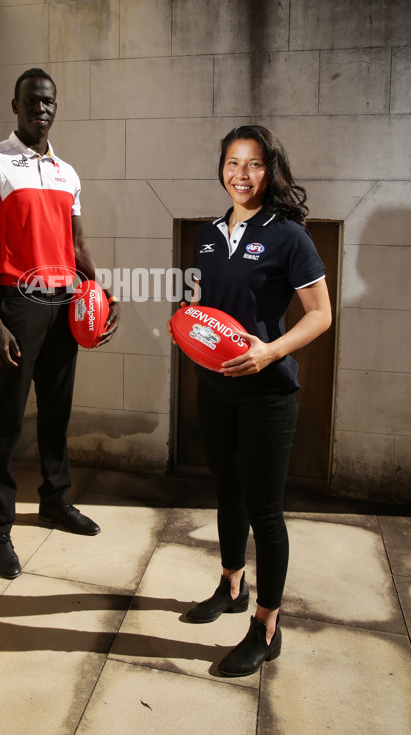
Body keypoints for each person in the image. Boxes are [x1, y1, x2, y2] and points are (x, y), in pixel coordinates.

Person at [167, 125, 331, 677]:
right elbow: (204, 305)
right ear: (222, 168)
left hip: (266, 393)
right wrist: (186, 325)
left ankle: (266, 626)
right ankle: (231, 586)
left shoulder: (289, 236)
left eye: (254, 164)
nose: (241, 173)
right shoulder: (207, 234)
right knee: (228, 493)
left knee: (265, 511)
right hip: (214, 388)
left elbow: (320, 314)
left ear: (270, 170)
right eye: (233, 163)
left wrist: (270, 351)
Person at [0, 68, 119, 579]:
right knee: (6, 418)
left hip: (63, 304)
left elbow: (76, 247)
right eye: (32, 101)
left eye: (49, 101)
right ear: (15, 105)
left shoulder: (67, 173)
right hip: (16, 305)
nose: (41, 109)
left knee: (57, 411)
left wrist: (101, 293)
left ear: (56, 107)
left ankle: (55, 500)